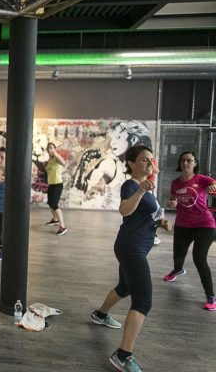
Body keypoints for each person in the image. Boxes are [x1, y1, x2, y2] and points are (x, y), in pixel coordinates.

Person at [90, 145, 169, 372]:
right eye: (143, 160)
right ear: (132, 163)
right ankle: (122, 355)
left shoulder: (148, 186)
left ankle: (100, 314)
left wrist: (161, 222)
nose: (148, 163)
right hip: (131, 247)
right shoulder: (131, 185)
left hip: (135, 246)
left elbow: (146, 214)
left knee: (125, 287)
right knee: (143, 301)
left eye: (150, 160)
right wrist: (141, 191)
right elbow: (124, 211)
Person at [164, 151, 216, 311]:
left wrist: (214, 186)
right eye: (183, 160)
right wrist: (172, 202)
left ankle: (211, 297)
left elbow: (213, 183)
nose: (186, 163)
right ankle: (178, 270)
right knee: (178, 255)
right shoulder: (175, 183)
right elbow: (173, 198)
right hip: (183, 224)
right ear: (180, 164)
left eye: (189, 160)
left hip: (205, 224)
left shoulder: (201, 179)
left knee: (199, 258)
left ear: (195, 163)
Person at [45, 143, 68, 235]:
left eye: (51, 148)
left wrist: (54, 153)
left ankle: (63, 226)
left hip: (58, 184)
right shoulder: (50, 160)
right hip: (51, 184)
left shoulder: (57, 158)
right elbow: (49, 172)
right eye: (48, 148)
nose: (49, 149)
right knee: (50, 203)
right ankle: (55, 220)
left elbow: (63, 162)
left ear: (54, 149)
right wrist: (44, 165)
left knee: (54, 205)